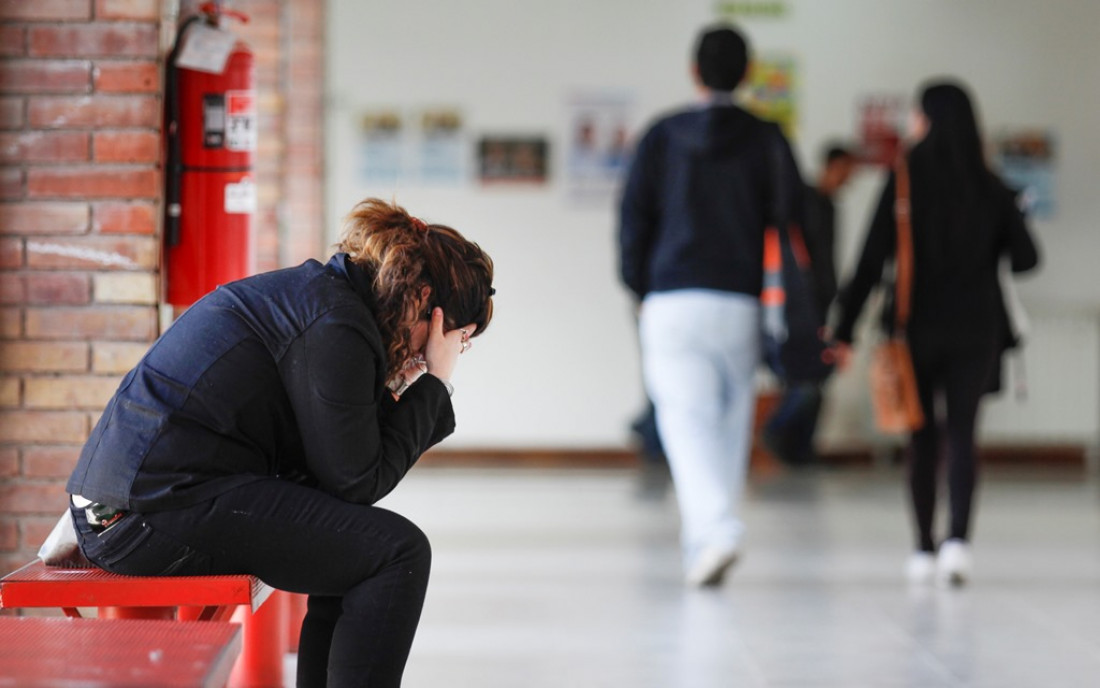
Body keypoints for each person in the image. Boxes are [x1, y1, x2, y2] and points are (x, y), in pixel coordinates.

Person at [66, 198, 495, 687]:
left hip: (138, 503)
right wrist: (436, 380)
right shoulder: (336, 323)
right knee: (399, 553)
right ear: (423, 302)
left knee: (357, 548)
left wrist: (410, 384)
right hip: (141, 515)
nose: (430, 353)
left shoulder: (330, 303)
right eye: (450, 339)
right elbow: (358, 479)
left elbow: (343, 473)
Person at [832, 80, 1039, 586]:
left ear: (924, 121)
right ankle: (958, 545)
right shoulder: (989, 183)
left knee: (921, 436)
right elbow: (1029, 258)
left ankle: (923, 547)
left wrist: (842, 329)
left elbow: (869, 260)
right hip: (977, 328)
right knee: (963, 435)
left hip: (914, 328)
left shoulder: (903, 180)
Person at [618, 23, 805, 587]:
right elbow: (794, 217)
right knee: (726, 423)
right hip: (743, 302)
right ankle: (703, 542)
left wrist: (639, 288)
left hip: (673, 297)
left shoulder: (661, 136)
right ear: (747, 73)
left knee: (685, 421)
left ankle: (718, 531)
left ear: (694, 71)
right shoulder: (768, 138)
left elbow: (633, 221)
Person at [763, 144, 856, 467]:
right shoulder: (803, 201)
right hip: (798, 303)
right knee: (808, 375)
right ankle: (778, 432)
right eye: (846, 169)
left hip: (821, 301)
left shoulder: (829, 206)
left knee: (816, 375)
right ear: (831, 165)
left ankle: (800, 448)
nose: (850, 177)